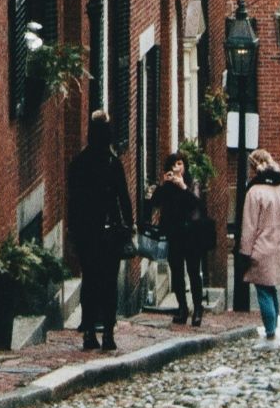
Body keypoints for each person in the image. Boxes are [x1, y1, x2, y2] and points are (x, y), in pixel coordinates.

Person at [67, 110, 134, 351]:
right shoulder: (112, 163)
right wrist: (129, 224)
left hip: (86, 232)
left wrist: (73, 231)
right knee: (109, 282)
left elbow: (72, 201)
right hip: (109, 230)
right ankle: (107, 332)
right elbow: (123, 198)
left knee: (90, 280)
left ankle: (88, 333)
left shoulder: (78, 163)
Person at [144, 151, 209, 326]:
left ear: (185, 166)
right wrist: (163, 184)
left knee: (194, 272)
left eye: (179, 164)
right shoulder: (167, 186)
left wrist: (183, 187)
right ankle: (182, 307)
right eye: (173, 165)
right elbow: (155, 204)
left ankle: (198, 307)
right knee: (177, 273)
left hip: (192, 235)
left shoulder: (191, 183)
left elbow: (197, 205)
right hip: (174, 235)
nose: (177, 168)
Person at [240, 148, 280, 341]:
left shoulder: (254, 192)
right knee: (271, 287)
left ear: (253, 167)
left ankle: (270, 329)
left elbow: (249, 226)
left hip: (260, 247)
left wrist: (244, 252)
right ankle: (274, 325)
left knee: (263, 290)